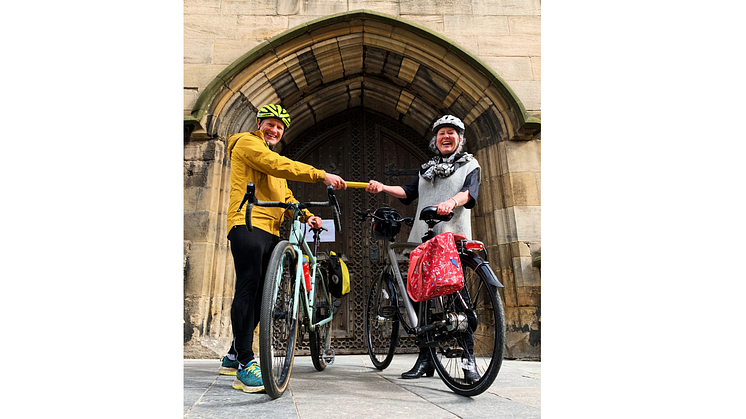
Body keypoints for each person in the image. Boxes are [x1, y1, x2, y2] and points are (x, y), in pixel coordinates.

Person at [220, 104, 347, 393]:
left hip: (272, 230)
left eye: (280, 127)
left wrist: (305, 216)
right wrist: (320, 175)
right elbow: (276, 165)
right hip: (248, 223)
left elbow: (286, 196)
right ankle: (244, 364)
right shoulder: (248, 144)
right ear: (259, 123)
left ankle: (231, 356)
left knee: (261, 297)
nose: (274, 130)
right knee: (249, 288)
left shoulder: (271, 157)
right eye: (270, 124)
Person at [365, 114, 480, 380]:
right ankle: (426, 359)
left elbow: (469, 192)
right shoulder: (426, 169)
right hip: (424, 241)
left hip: (452, 238)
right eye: (442, 133)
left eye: (452, 133)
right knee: (419, 298)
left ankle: (468, 360)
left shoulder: (470, 164)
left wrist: (451, 202)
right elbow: (408, 192)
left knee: (457, 300)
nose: (446, 137)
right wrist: (383, 187)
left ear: (460, 139)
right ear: (435, 140)